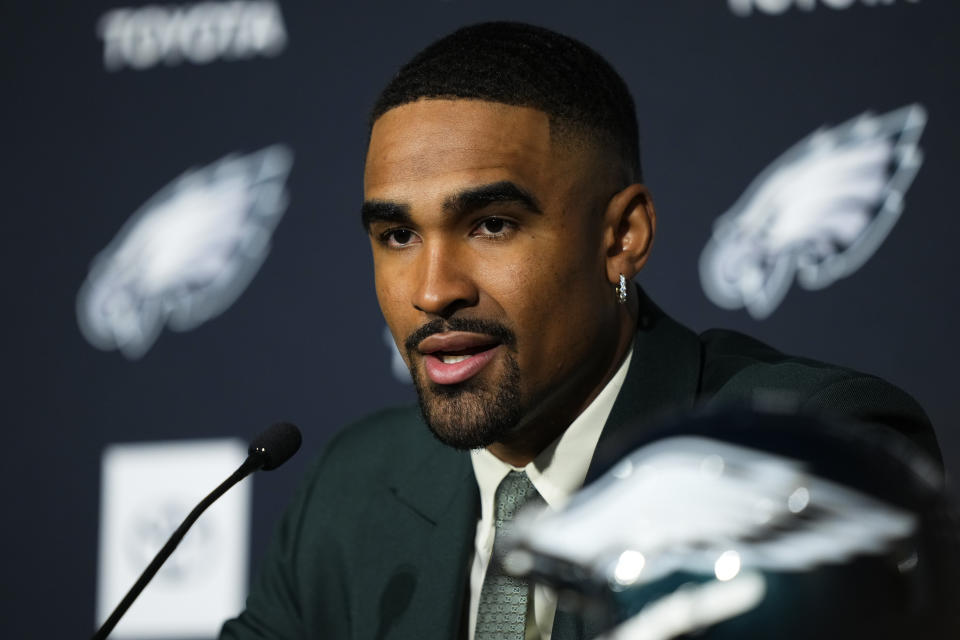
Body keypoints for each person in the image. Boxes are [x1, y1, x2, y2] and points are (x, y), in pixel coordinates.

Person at [220, 21, 940, 640]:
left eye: (492, 225)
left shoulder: (802, 450)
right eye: (398, 235)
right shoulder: (350, 491)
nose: (433, 290)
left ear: (622, 236)